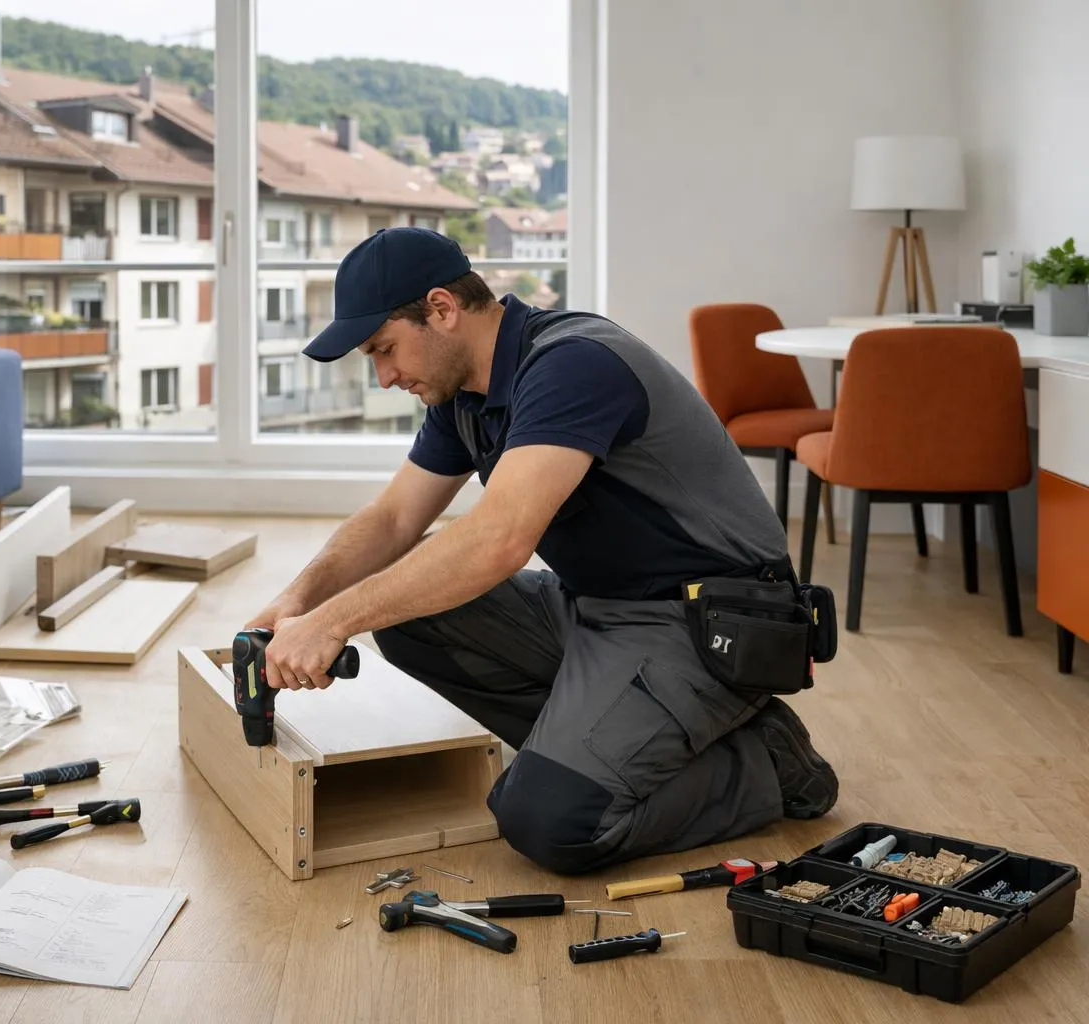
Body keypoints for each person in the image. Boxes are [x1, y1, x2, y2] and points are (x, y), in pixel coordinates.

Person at [246, 226, 838, 874]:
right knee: (404, 610)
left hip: (703, 627)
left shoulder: (573, 365)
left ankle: (768, 763)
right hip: (599, 608)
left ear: (442, 309)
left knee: (550, 821)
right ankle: (601, 745)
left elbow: (499, 540)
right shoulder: (464, 396)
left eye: (385, 349)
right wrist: (298, 601)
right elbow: (392, 520)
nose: (385, 376)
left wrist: (334, 622)